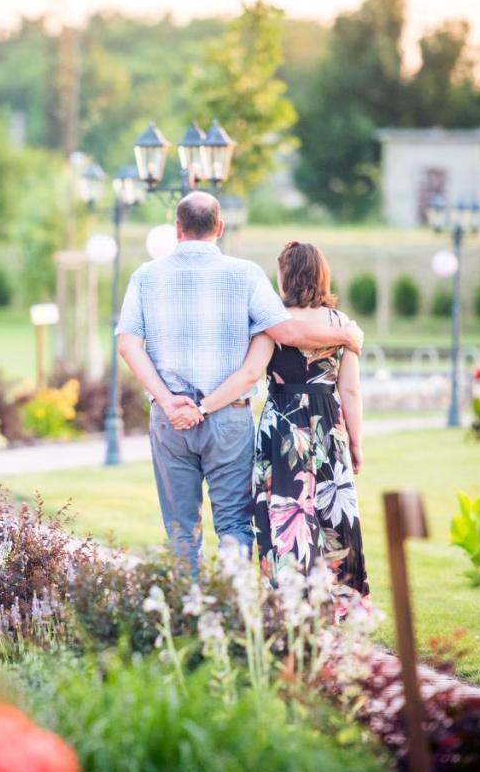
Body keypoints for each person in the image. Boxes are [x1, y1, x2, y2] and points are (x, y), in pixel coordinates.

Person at [115, 193, 362, 573]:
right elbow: (285, 331)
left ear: (177, 229)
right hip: (228, 418)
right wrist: (345, 337)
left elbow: (128, 344)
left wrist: (168, 401)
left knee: (181, 531)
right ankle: (231, 613)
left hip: (170, 420)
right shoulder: (245, 274)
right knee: (233, 525)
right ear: (220, 227)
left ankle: (187, 620)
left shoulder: (145, 276)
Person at [189, 240, 368, 594]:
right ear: (321, 275)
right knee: (332, 515)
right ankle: (341, 603)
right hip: (326, 427)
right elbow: (350, 391)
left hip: (283, 428)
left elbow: (248, 374)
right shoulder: (342, 325)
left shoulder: (273, 323)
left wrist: (203, 406)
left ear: (286, 277)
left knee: (286, 513)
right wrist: (356, 443)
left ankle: (289, 602)